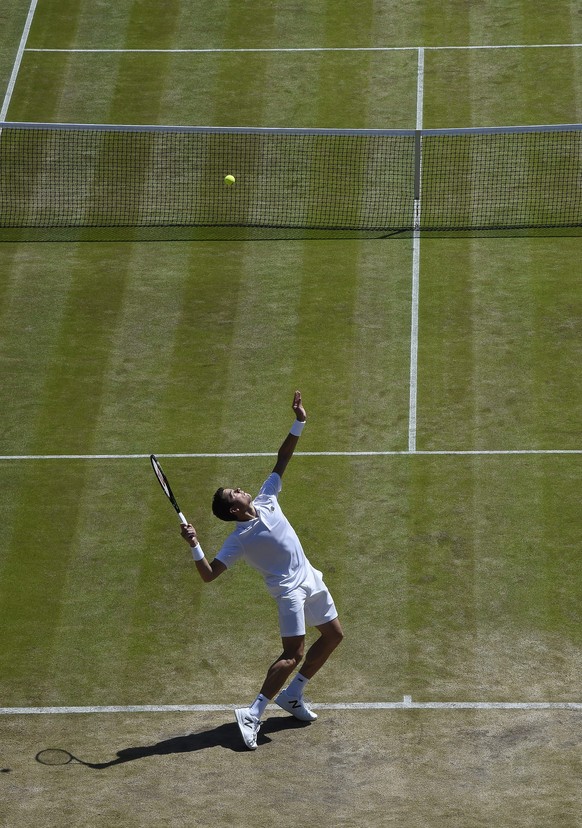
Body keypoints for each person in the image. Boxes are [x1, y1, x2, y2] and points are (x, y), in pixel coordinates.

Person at [180, 390, 343, 750]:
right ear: (234, 510)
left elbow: (282, 458)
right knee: (292, 654)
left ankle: (294, 695)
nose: (240, 489)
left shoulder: (267, 498)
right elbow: (209, 574)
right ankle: (253, 714)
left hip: (310, 577)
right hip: (289, 591)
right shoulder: (237, 540)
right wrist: (194, 544)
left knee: (333, 635)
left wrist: (299, 421)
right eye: (234, 493)